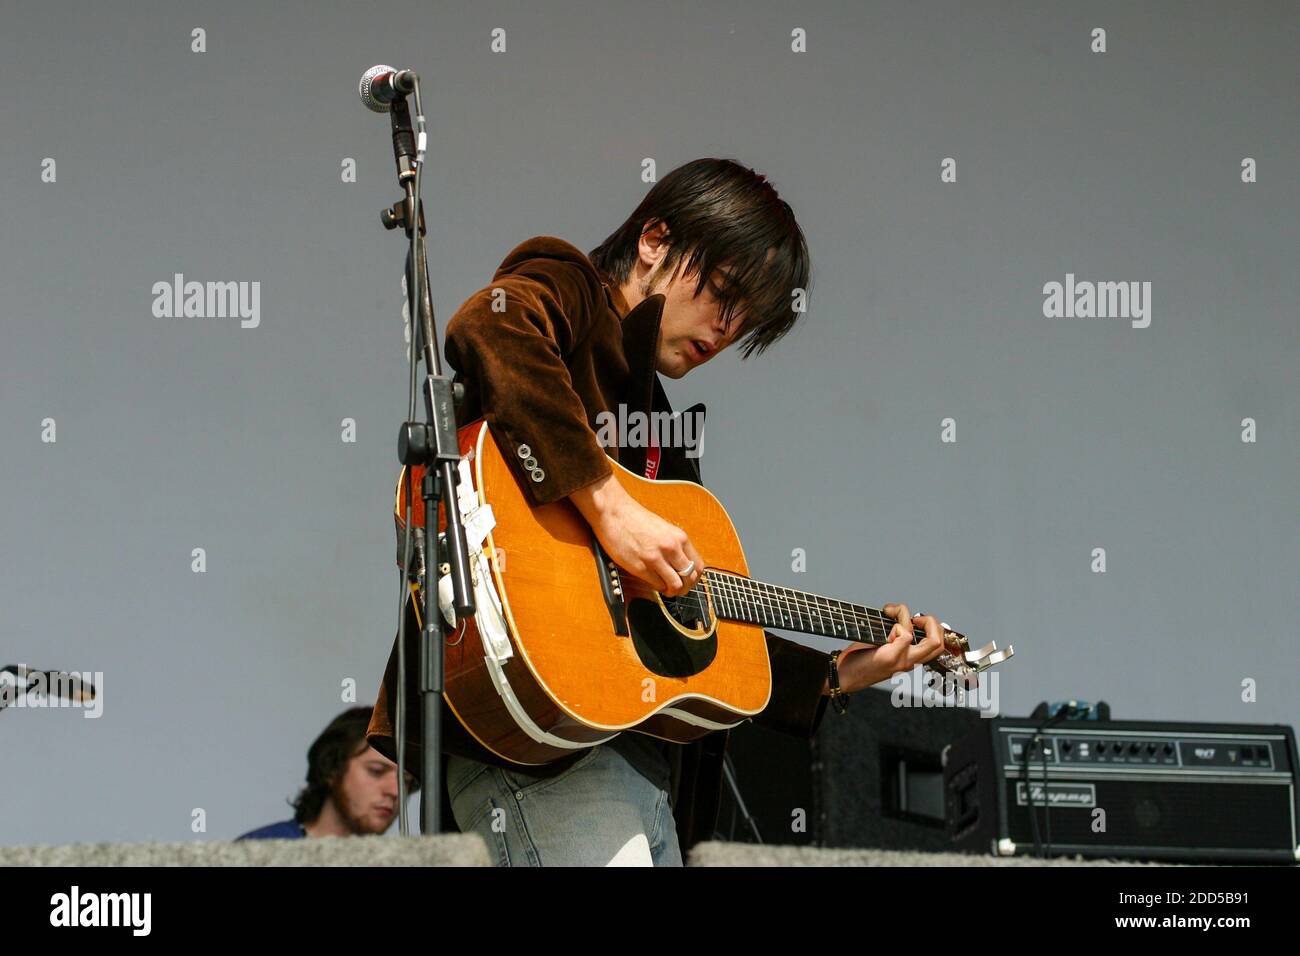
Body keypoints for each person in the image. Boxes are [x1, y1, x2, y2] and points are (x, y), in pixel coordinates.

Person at [367, 158, 950, 865]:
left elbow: (695, 631)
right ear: (654, 241)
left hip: (630, 753)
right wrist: (608, 507)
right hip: (541, 746)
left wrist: (834, 675)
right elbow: (491, 327)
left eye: (746, 320)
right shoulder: (573, 286)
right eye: (723, 294)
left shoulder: (661, 431)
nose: (726, 329)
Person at [238, 706, 414, 840]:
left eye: (405, 780)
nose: (395, 791)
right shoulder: (261, 850)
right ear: (331, 768)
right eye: (376, 771)